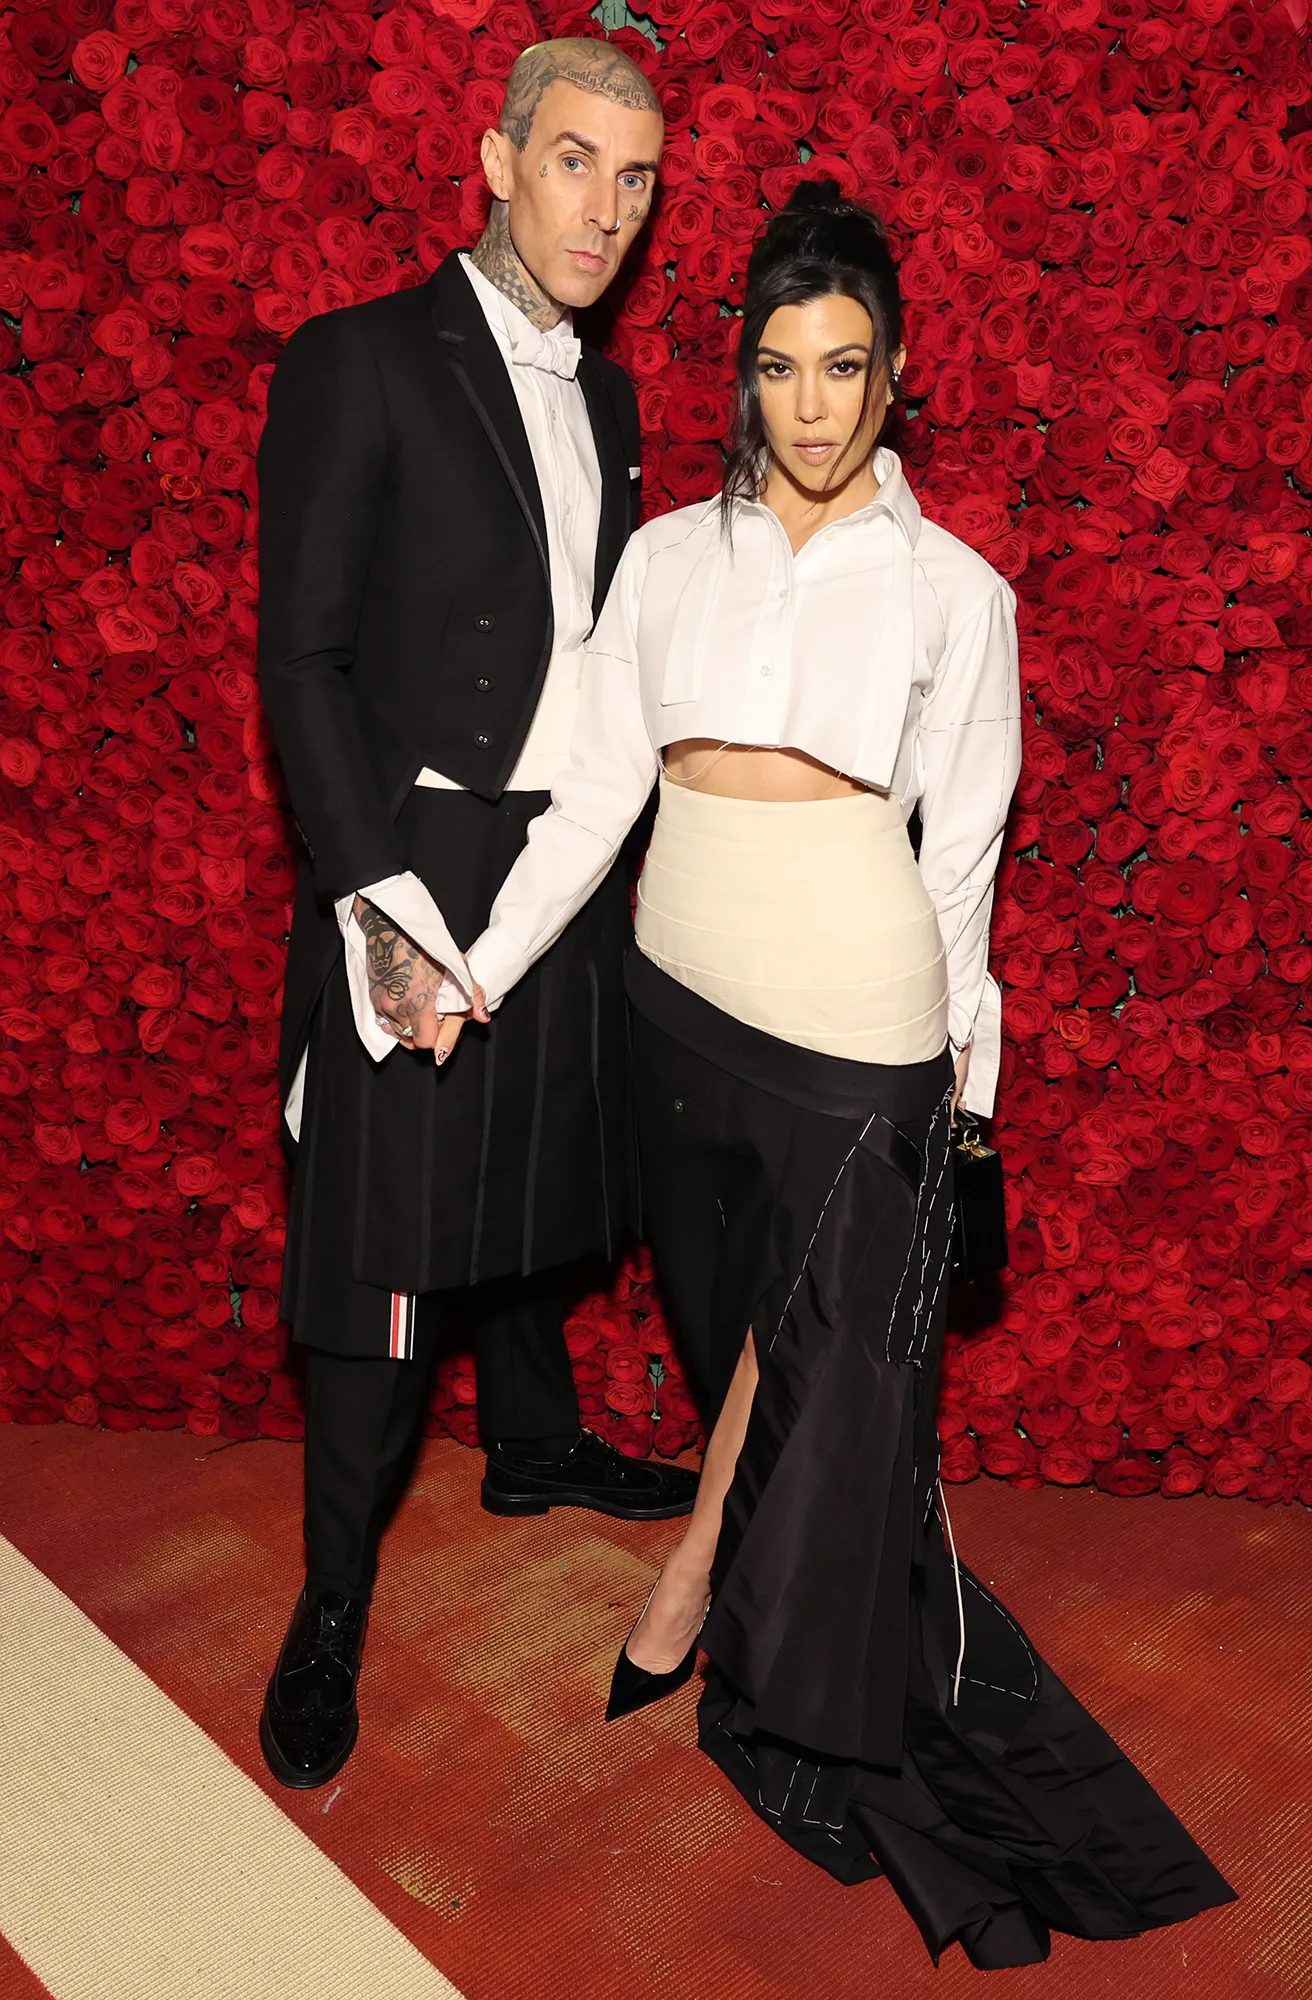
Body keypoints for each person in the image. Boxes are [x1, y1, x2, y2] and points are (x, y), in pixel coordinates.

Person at [459, 184, 1236, 1967]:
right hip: (678, 1003)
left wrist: (971, 1083)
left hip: (862, 1022)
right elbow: (591, 799)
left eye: (849, 369)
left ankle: (729, 1628)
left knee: (838, 1390)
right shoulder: (663, 560)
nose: (814, 404)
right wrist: (482, 975)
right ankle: (694, 1581)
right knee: (743, 1338)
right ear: (743, 375)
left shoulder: (958, 592)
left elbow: (961, 861)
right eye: (782, 367)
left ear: (895, 382)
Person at [254, 38, 693, 1792]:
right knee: (381, 1244)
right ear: (498, 159)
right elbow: (303, 661)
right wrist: (379, 908)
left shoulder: (613, 398)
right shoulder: (356, 361)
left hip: (562, 864)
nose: (609, 209)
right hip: (411, 864)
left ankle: (532, 1442)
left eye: (639, 178)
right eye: (578, 163)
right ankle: (331, 1603)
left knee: (533, 1181)